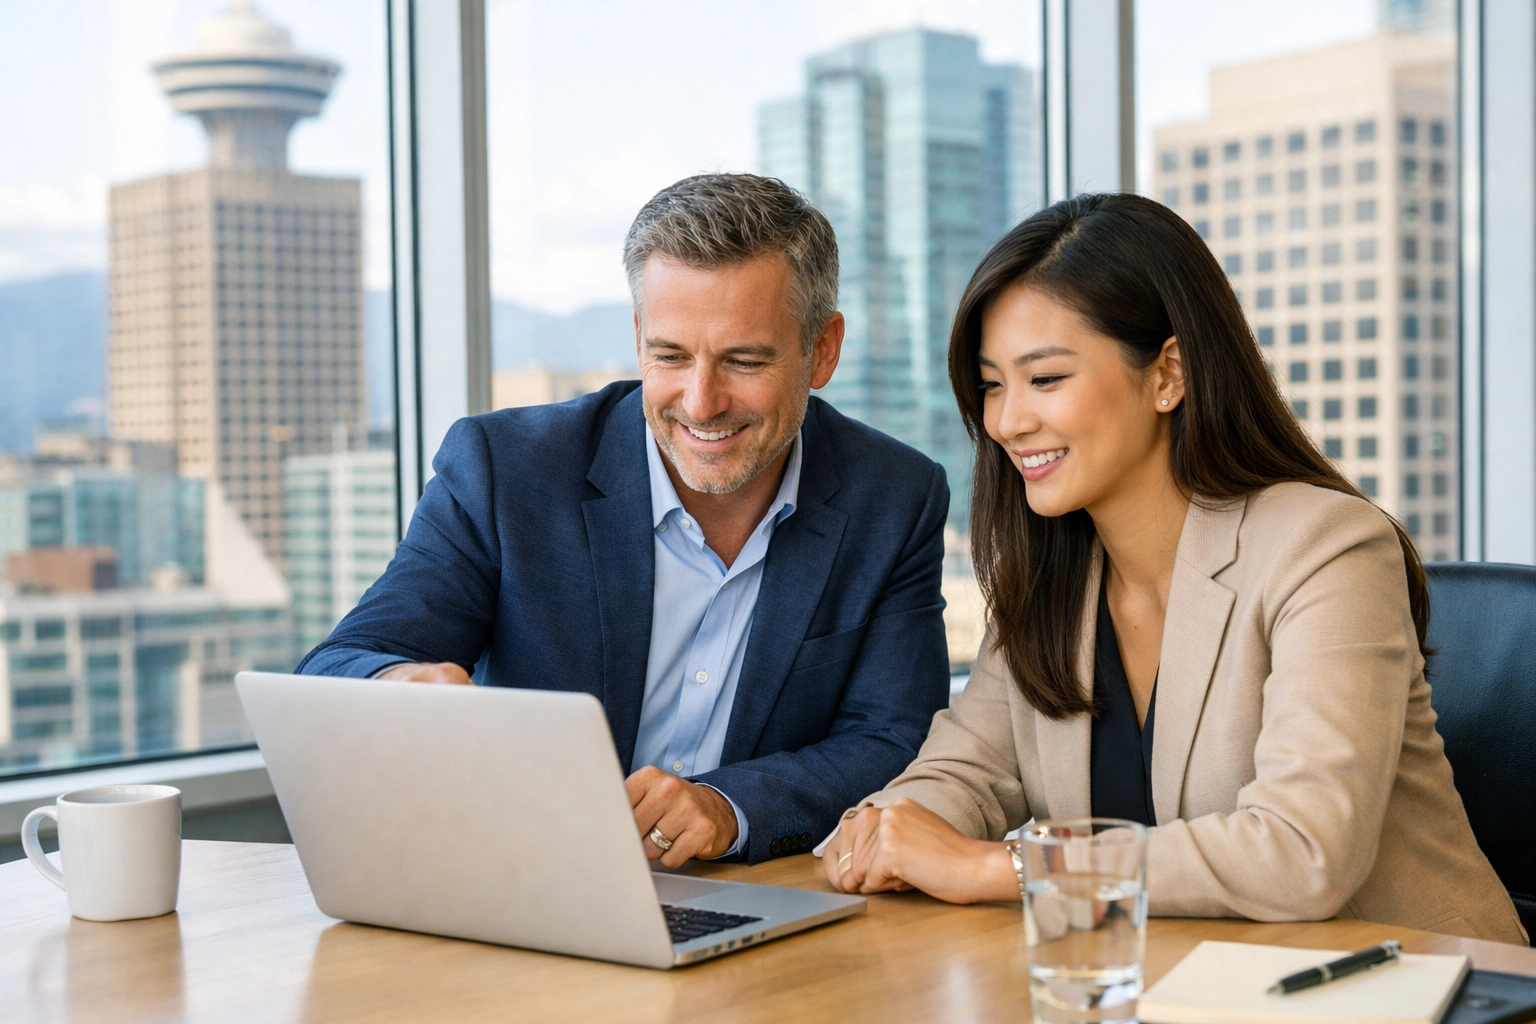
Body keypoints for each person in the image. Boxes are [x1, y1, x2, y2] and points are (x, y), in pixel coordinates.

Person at [820, 192, 1527, 944]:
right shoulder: (1052, 581)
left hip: (1410, 981)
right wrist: (889, 830)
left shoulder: (1325, 547)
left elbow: (1303, 851)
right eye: (993, 384)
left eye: (1045, 378)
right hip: (1176, 982)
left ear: (1168, 374)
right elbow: (964, 772)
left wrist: (1005, 868)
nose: (1007, 421)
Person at [299, 173, 951, 867]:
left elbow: (890, 738)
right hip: (528, 880)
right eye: (670, 356)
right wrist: (394, 687)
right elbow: (338, 666)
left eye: (744, 360)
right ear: (638, 337)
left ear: (822, 349)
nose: (700, 403)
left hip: (757, 896)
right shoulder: (505, 471)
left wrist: (727, 807)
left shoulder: (893, 497)